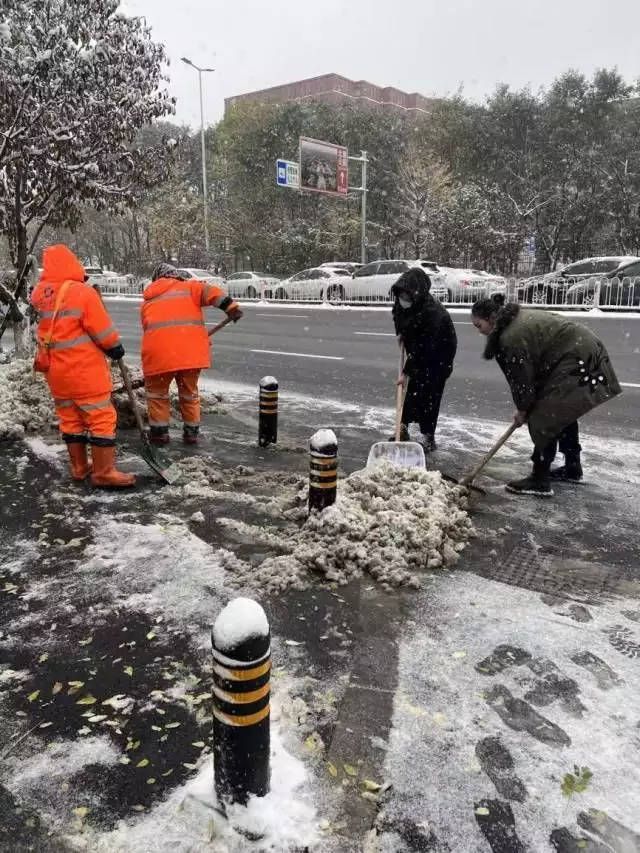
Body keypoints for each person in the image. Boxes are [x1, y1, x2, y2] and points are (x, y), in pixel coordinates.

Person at [471, 294, 621, 496]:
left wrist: (524, 409)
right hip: (581, 351)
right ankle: (572, 467)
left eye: (479, 326)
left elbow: (522, 381)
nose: (478, 332)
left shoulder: (510, 337)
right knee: (563, 412)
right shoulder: (512, 322)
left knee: (544, 416)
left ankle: (540, 478)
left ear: (490, 318)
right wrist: (524, 406)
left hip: (576, 357)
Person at [30, 245, 135, 488]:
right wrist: (114, 348)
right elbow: (103, 330)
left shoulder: (39, 293)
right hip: (83, 370)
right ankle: (104, 472)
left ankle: (79, 467)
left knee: (70, 418)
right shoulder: (82, 293)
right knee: (100, 417)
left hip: (56, 371)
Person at [140, 264, 243, 445]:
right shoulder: (191, 288)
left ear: (156, 279)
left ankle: (159, 434)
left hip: (158, 355)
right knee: (189, 393)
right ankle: (191, 434)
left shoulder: (148, 300)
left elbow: (148, 328)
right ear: (176, 276)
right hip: (190, 355)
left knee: (157, 395)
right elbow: (212, 292)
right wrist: (231, 308)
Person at [391, 267, 457, 451]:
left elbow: (423, 348)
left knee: (429, 395)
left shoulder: (433, 313)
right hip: (419, 347)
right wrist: (401, 333)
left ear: (417, 294)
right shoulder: (401, 301)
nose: (403, 299)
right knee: (412, 392)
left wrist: (405, 372)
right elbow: (397, 314)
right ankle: (402, 429)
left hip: (440, 353)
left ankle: (429, 437)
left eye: (407, 295)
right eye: (401, 295)